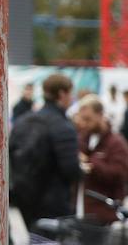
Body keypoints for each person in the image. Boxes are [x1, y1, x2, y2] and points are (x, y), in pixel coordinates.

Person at [7, 72, 82, 235]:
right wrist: (83, 168)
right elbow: (71, 170)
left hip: (24, 198)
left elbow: (10, 155)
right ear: (62, 94)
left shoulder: (23, 121)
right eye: (71, 93)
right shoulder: (63, 126)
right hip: (53, 202)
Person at [72, 99, 128, 224]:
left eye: (88, 119)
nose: (84, 123)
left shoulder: (117, 143)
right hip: (78, 212)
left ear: (100, 115)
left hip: (104, 215)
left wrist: (92, 164)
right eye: (82, 119)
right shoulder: (81, 139)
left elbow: (119, 175)